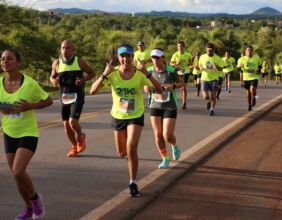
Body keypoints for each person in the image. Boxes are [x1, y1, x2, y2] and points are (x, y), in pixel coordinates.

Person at [0, 48, 53, 220]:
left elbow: (48, 100)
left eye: (9, 59)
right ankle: (29, 209)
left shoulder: (30, 84)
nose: (5, 62)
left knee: (17, 171)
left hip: (28, 132)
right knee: (18, 177)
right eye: (2, 59)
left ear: (18, 62)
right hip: (9, 132)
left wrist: (30, 106)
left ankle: (36, 201)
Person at [90, 44, 163, 197]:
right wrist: (104, 74)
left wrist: (147, 74)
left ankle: (133, 182)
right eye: (122, 56)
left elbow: (160, 89)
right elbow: (92, 90)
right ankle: (131, 159)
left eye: (128, 56)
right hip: (118, 116)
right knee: (122, 152)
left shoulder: (139, 74)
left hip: (135, 115)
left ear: (132, 58)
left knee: (131, 148)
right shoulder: (113, 73)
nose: (125, 59)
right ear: (118, 58)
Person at [50, 39, 96, 157]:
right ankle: (74, 146)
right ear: (60, 49)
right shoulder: (57, 63)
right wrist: (54, 81)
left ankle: (80, 136)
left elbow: (92, 73)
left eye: (68, 48)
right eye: (63, 48)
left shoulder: (79, 61)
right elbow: (52, 77)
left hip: (77, 96)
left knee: (73, 122)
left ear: (73, 50)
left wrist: (83, 80)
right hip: (64, 96)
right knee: (66, 125)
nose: (65, 50)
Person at [146, 48, 184, 169]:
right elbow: (143, 84)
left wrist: (173, 86)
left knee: (167, 135)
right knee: (158, 134)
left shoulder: (171, 71)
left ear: (163, 58)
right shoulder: (149, 71)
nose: (155, 60)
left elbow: (181, 83)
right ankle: (165, 158)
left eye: (157, 57)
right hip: (155, 104)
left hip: (169, 105)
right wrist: (145, 88)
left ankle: (174, 145)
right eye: (153, 58)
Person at [198, 42, 226, 116]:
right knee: (206, 97)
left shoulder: (217, 58)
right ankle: (209, 101)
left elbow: (221, 69)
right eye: (208, 50)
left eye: (211, 50)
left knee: (213, 96)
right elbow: (200, 65)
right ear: (206, 50)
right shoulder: (202, 57)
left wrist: (216, 66)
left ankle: (212, 109)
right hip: (204, 78)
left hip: (214, 79)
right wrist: (200, 67)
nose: (209, 52)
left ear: (213, 50)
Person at [237, 45, 262, 111]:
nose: (249, 52)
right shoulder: (242, 59)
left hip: (254, 76)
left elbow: (260, 65)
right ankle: (249, 104)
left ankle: (254, 97)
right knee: (248, 93)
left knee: (252, 89)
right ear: (245, 52)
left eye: (251, 50)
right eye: (248, 50)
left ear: (253, 51)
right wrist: (240, 67)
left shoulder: (257, 58)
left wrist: (258, 70)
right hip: (246, 77)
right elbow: (238, 69)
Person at [170, 41, 193, 109]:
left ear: (184, 47)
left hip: (186, 71)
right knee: (180, 87)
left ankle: (184, 102)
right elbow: (171, 63)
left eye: (181, 46)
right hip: (178, 72)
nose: (180, 47)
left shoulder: (188, 54)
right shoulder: (175, 55)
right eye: (178, 46)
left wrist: (189, 63)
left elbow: (191, 63)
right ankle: (183, 98)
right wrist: (176, 64)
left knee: (183, 87)